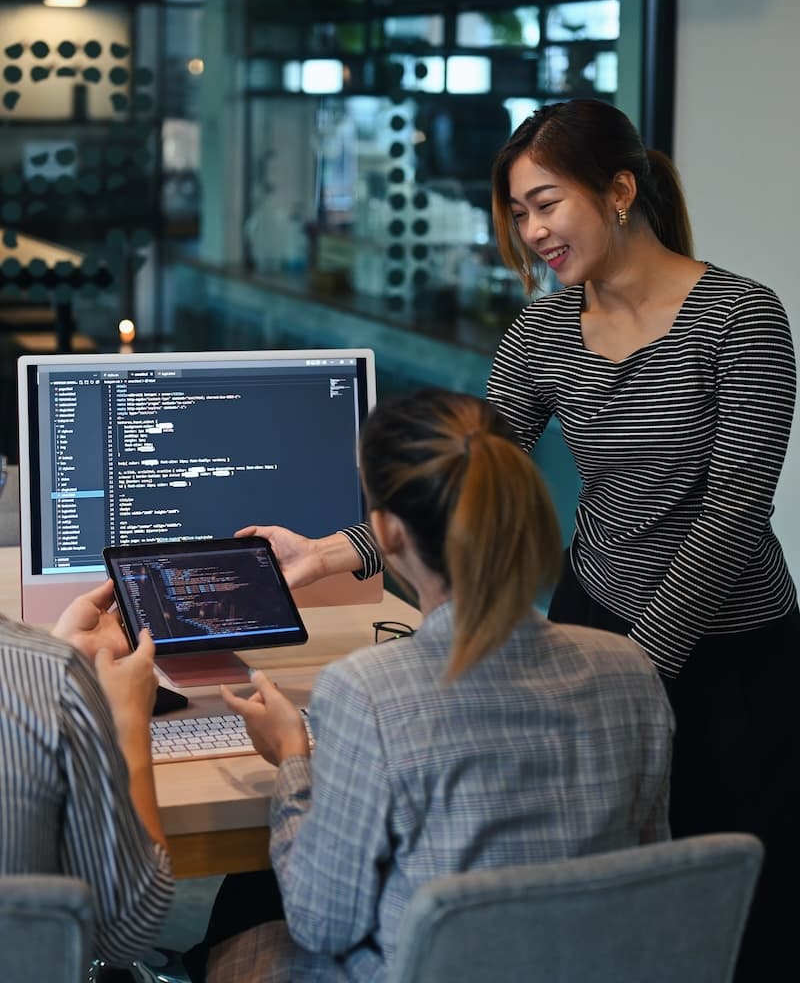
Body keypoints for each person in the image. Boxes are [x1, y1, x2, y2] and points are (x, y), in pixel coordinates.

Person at [242, 100, 797, 982]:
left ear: (619, 190)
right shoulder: (543, 331)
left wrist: (637, 669)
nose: (532, 230)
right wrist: (336, 549)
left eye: (547, 203)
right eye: (519, 213)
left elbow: (732, 514)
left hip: (734, 651)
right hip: (600, 611)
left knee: (729, 916)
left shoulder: (741, 319)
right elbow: (470, 471)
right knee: (594, 899)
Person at [187, 388, 673, 983]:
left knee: (248, 909)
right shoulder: (631, 669)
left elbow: (322, 923)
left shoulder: (369, 691)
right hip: (585, 967)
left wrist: (293, 757)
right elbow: (646, 874)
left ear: (386, 533)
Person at [0, 578, 174, 965]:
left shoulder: (54, 669)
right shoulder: (55, 674)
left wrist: (62, 654)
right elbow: (125, 933)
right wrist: (127, 720)